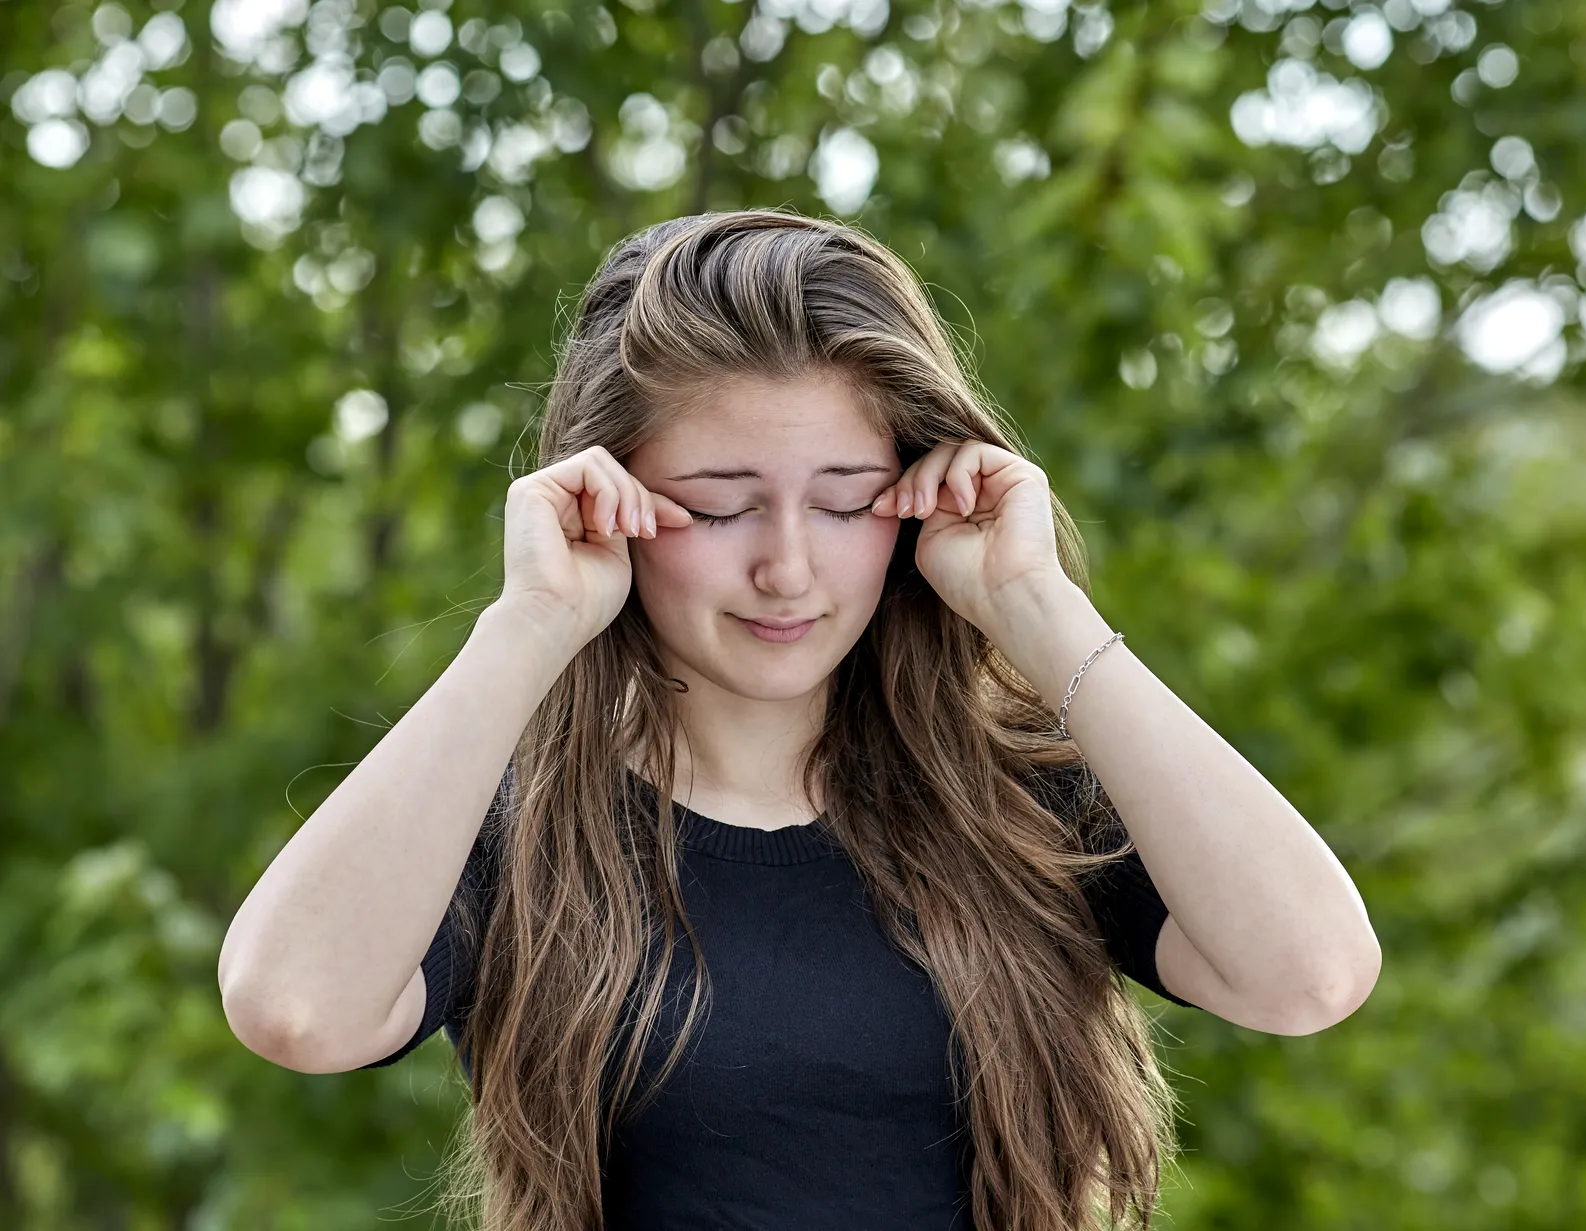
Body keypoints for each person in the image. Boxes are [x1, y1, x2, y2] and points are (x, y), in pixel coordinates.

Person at [217, 209, 1381, 1231]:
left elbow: (1309, 976)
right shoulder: (519, 828)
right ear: (609, 499)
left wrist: (1036, 606)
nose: (787, 567)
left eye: (843, 501)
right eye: (720, 507)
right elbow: (297, 1009)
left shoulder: (1021, 801)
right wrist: (527, 625)